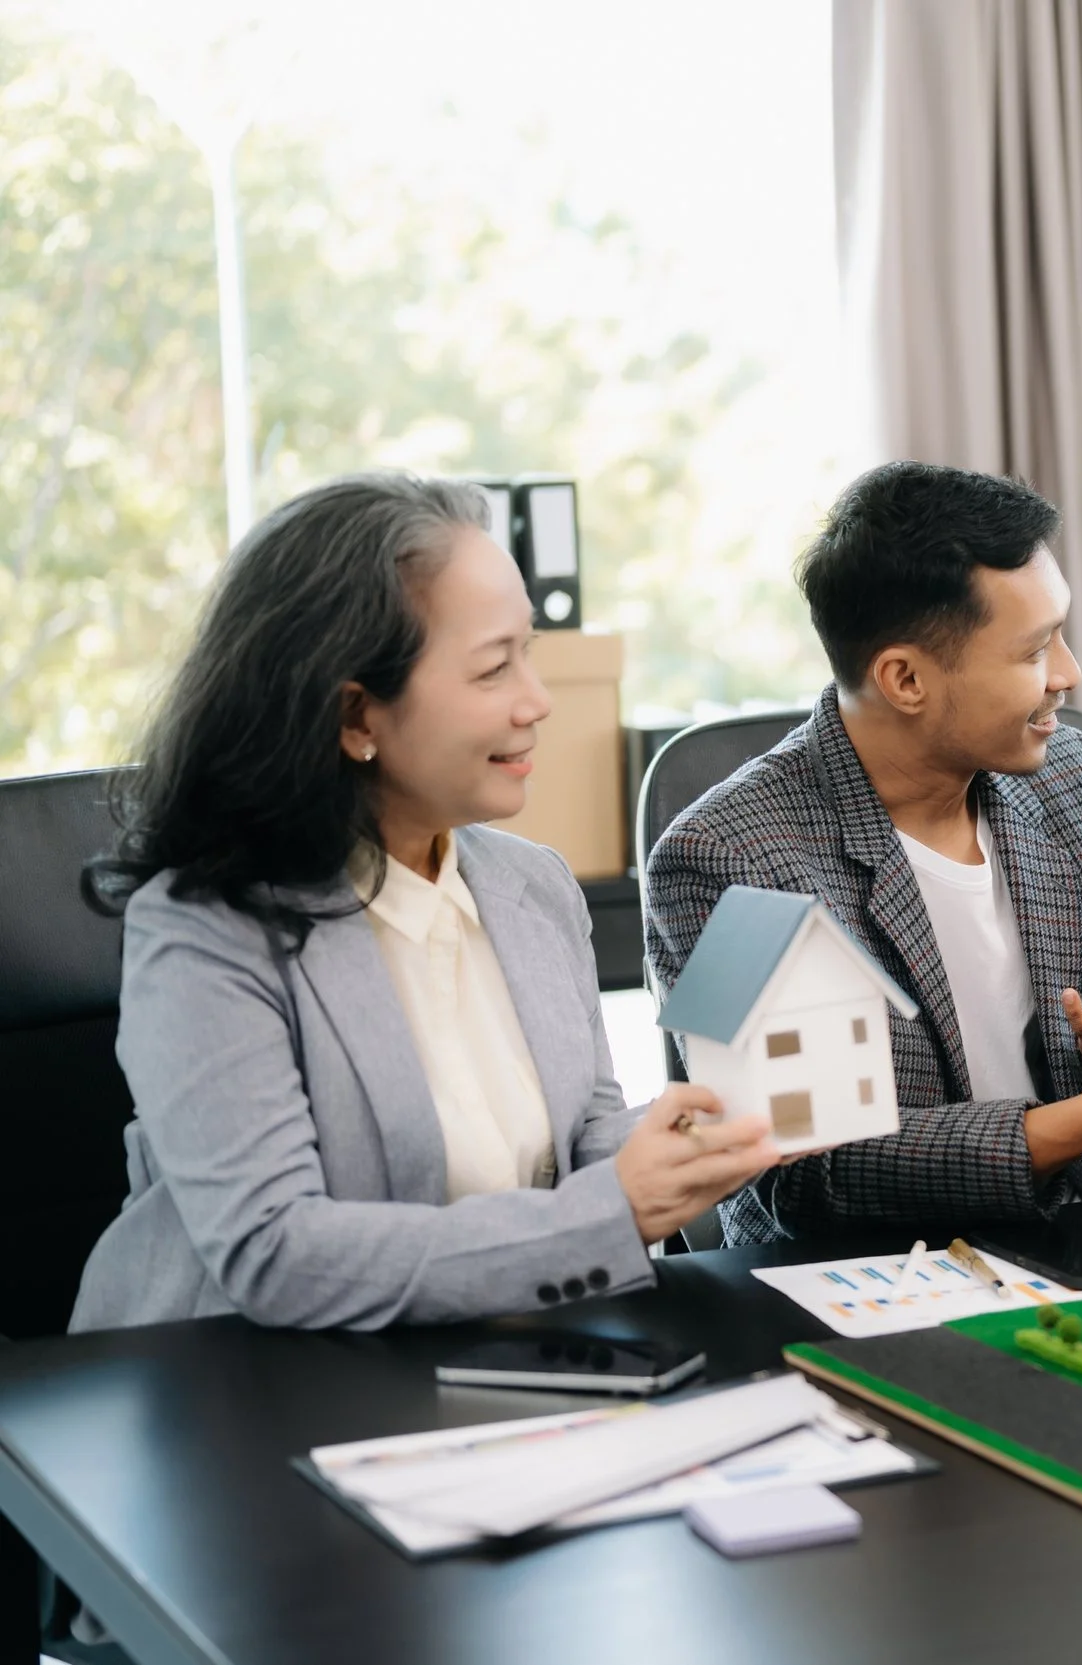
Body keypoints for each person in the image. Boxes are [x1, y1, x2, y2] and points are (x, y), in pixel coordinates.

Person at [73, 474, 779, 1333]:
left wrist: (687, 1142)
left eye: (531, 650)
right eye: (494, 666)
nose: (539, 699)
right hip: (231, 1382)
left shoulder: (534, 885)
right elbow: (275, 1250)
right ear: (354, 715)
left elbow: (576, 1137)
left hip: (487, 1353)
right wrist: (610, 1214)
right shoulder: (204, 931)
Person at [645, 461, 1082, 1239]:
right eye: (1036, 651)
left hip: (1074, 1249)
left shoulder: (1072, 782)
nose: (1069, 675)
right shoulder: (727, 857)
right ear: (904, 678)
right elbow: (806, 1176)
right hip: (854, 1286)